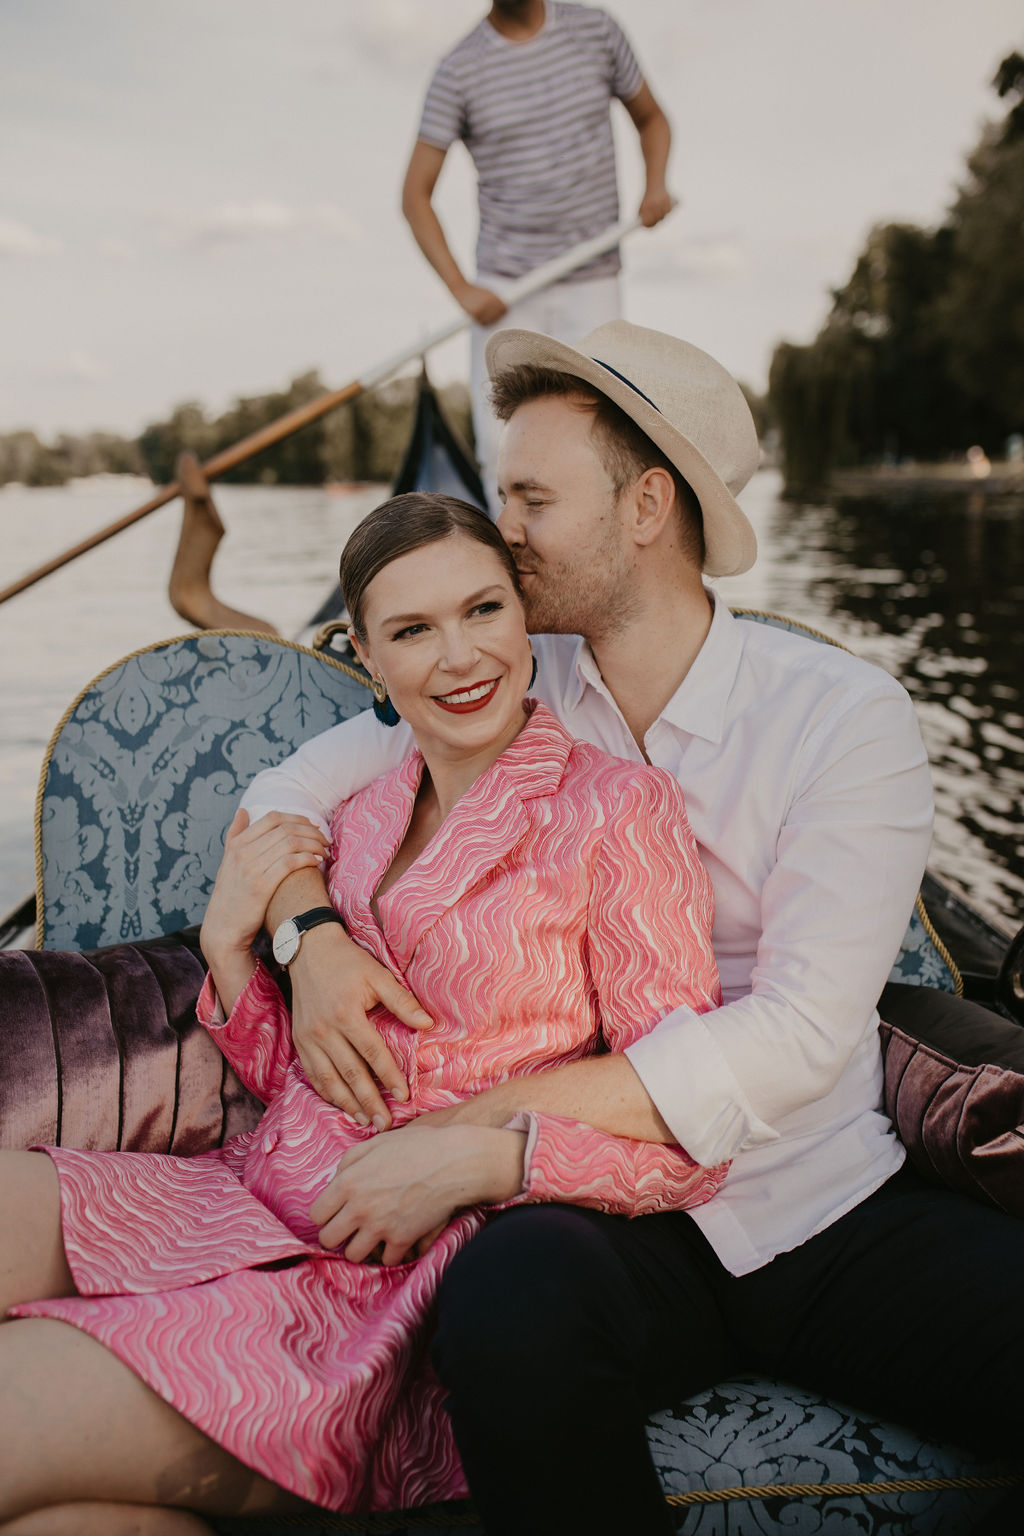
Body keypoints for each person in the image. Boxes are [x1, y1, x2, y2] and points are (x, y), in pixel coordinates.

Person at [242, 321, 1024, 1534]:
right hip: (610, 1215)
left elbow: (799, 1042)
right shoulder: (507, 677)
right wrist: (311, 941)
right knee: (511, 1308)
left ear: (646, 506)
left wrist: (478, 1134)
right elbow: (287, 794)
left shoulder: (840, 718)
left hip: (819, 1205)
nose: (500, 530)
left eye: (530, 498)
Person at [0, 492, 727, 1535]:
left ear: (525, 615)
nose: (459, 656)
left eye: (482, 610)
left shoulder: (616, 810)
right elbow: (295, 1068)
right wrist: (229, 951)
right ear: (364, 656)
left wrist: (486, 1159)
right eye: (413, 631)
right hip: (246, 1196)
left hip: (384, 1284)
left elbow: (688, 1122)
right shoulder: (360, 809)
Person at [402, 0, 672, 506]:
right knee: (504, 450)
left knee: (602, 438)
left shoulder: (597, 30)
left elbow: (652, 119)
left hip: (592, 277)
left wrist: (654, 186)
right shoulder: (458, 69)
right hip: (506, 291)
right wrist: (462, 289)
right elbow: (415, 196)